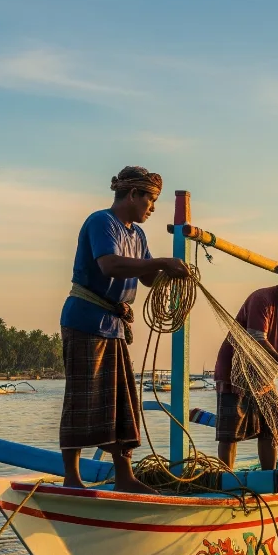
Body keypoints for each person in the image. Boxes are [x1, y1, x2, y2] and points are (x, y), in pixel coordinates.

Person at [58, 166, 189, 492]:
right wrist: (160, 262)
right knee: (82, 398)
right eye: (150, 200)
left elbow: (145, 278)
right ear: (132, 194)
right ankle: (72, 479)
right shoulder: (102, 222)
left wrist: (171, 275)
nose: (153, 208)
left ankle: (125, 477)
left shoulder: (137, 234)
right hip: (85, 320)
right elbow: (110, 265)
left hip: (113, 326)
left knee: (121, 401)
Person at [212, 260, 278, 469]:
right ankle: (226, 480)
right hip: (235, 370)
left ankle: (268, 478)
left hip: (263, 376)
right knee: (230, 432)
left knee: (271, 428)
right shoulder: (262, 299)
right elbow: (257, 341)